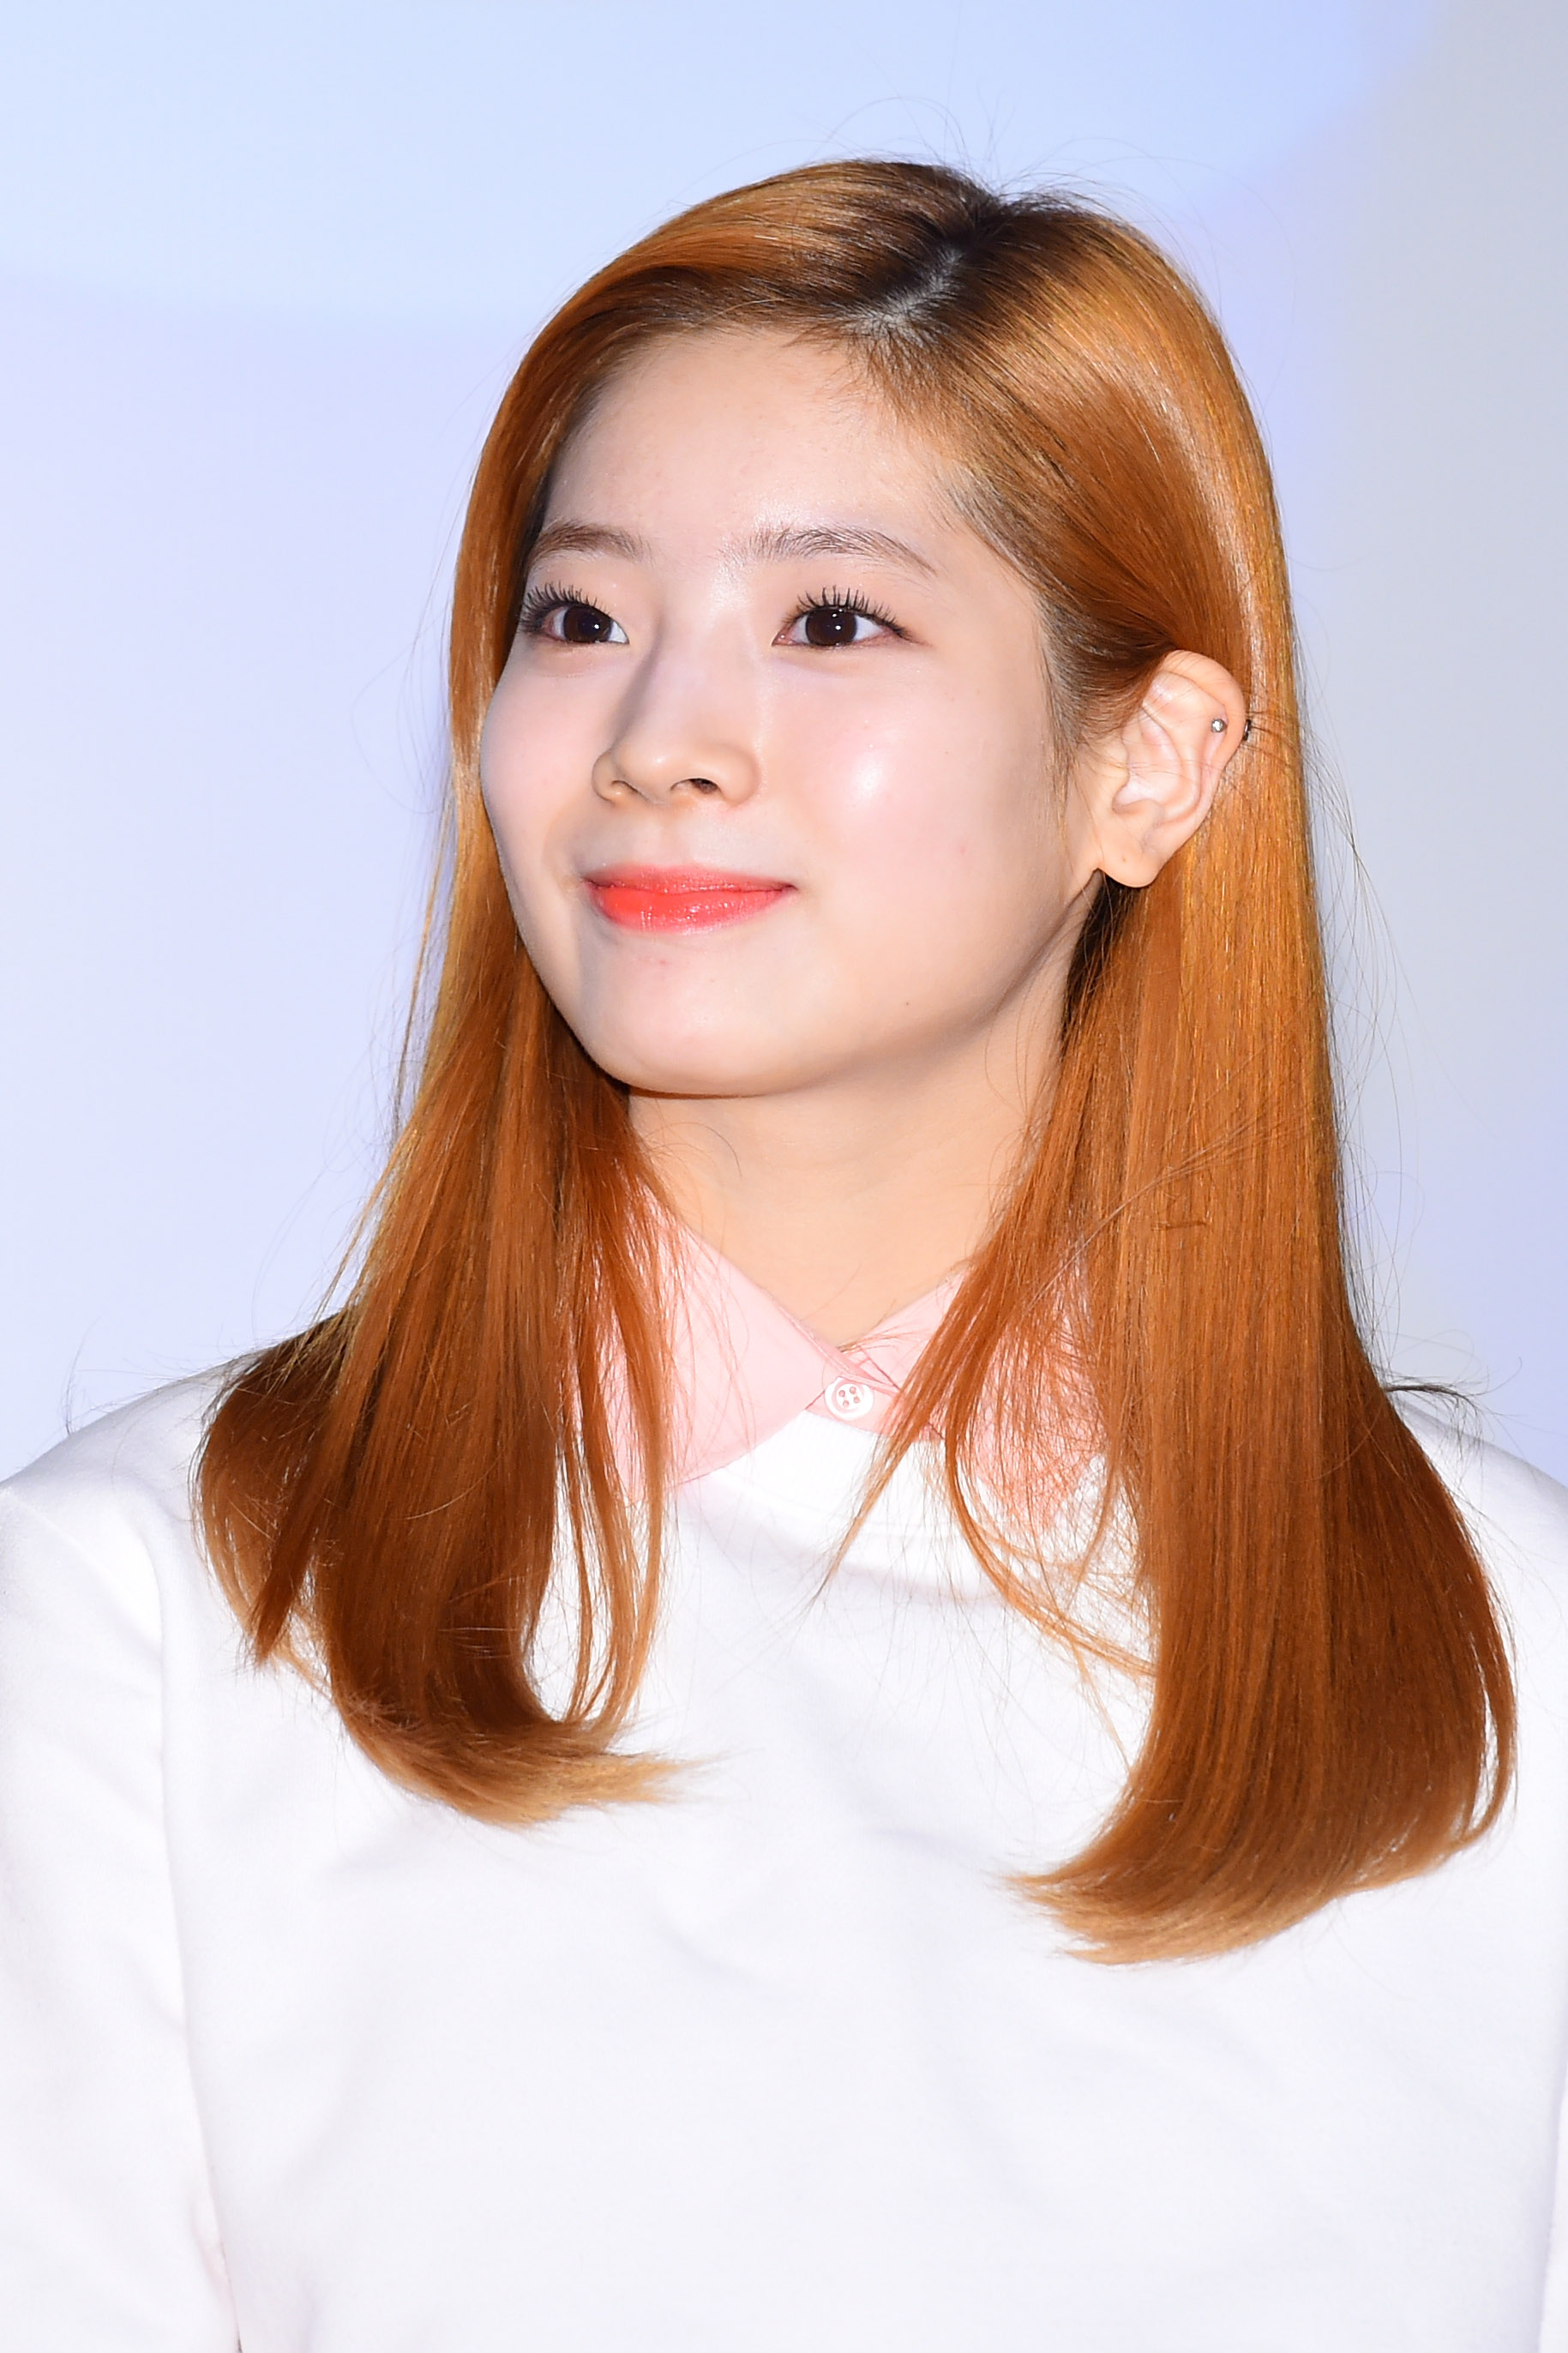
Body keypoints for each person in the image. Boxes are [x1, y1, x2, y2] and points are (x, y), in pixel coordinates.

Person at [1, 159, 1564, 2351]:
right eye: (581, 618)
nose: (660, 741)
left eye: (831, 621)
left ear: (1149, 761)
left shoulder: (1507, 1646)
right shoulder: (144, 1613)